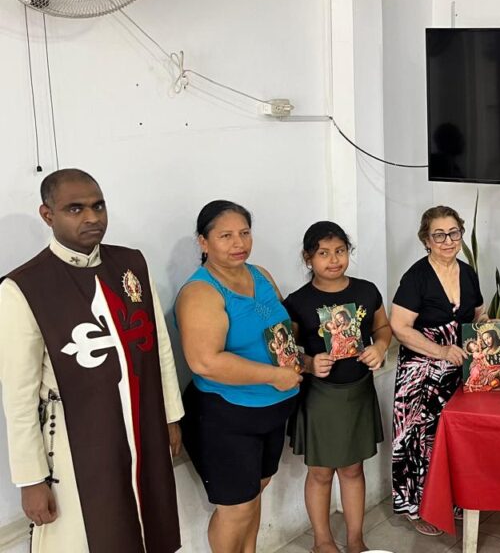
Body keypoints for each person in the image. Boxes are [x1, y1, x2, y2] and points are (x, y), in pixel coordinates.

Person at [0, 169, 183, 552]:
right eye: (75, 209)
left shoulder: (131, 264)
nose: (92, 217)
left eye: (98, 206)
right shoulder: (23, 287)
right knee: (92, 535)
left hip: (143, 425)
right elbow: (18, 396)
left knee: (150, 527)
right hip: (76, 440)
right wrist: (31, 479)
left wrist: (170, 417)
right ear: (48, 215)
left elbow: (159, 347)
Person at [175, 200, 302, 553]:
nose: (238, 243)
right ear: (203, 242)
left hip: (272, 409)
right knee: (237, 508)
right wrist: (274, 375)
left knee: (256, 491)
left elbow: (281, 330)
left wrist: (301, 357)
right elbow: (204, 362)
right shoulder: (200, 292)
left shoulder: (259, 274)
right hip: (226, 414)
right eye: (226, 236)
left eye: (244, 233)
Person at [283, 221, 390, 553]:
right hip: (320, 396)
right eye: (323, 253)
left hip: (358, 391)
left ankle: (356, 540)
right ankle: (323, 541)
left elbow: (383, 328)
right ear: (308, 258)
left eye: (340, 251)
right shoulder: (298, 301)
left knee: (353, 469)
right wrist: (309, 363)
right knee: (320, 472)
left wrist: (380, 347)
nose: (333, 260)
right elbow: (287, 353)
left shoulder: (367, 291)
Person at [390, 206, 486, 535]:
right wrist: (441, 351)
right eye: (439, 235)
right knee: (419, 440)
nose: (448, 241)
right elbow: (399, 327)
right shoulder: (416, 277)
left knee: (453, 438)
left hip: (458, 372)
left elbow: (478, 316)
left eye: (454, 232)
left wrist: (493, 333)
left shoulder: (468, 273)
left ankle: (452, 501)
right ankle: (416, 508)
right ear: (426, 240)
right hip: (420, 374)